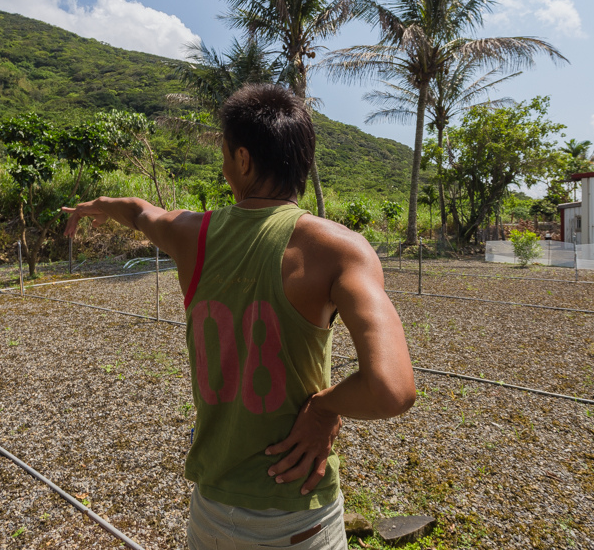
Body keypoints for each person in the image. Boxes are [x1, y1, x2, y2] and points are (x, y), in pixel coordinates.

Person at [62, 83, 415, 549]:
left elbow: (139, 212)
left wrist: (93, 208)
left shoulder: (191, 234)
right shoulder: (339, 249)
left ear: (243, 160)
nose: (225, 165)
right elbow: (391, 390)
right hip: (298, 517)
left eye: (225, 154)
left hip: (212, 511)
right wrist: (324, 407)